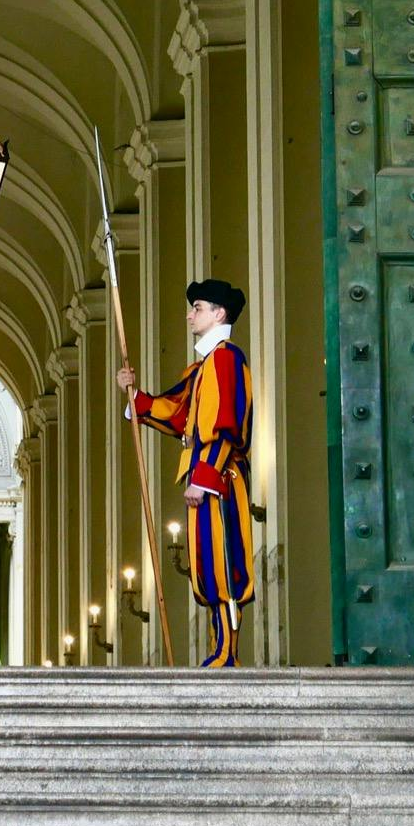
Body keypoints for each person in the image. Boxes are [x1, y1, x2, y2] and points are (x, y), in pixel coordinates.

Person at [117, 278, 255, 668]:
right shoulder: (205, 366)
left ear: (219, 314)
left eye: (198, 308)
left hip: (221, 479)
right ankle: (219, 646)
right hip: (206, 479)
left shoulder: (227, 359)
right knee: (206, 565)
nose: (189, 314)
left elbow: (227, 423)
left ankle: (229, 652)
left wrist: (205, 477)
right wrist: (135, 395)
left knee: (225, 562)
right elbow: (178, 413)